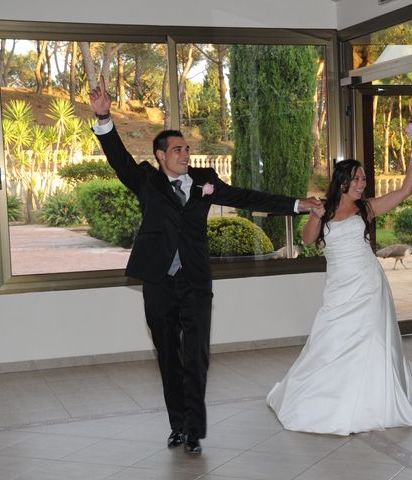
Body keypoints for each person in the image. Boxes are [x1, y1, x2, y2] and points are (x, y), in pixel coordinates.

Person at [89, 76, 320, 453]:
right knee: (168, 356)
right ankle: (177, 425)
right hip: (159, 283)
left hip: (195, 283)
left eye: (187, 149)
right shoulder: (146, 181)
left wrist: (298, 205)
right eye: (178, 149)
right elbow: (118, 159)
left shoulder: (204, 181)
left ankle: (194, 431)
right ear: (161, 155)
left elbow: (247, 196)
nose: (186, 154)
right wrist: (104, 118)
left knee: (196, 357)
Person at [266, 142, 412, 435]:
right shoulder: (324, 210)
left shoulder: (365, 209)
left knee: (371, 338)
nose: (362, 183)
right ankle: (325, 395)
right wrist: (315, 214)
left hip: (368, 283)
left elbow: (405, 190)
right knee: (330, 338)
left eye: (364, 179)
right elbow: (306, 239)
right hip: (340, 287)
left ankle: (372, 399)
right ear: (342, 182)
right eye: (357, 178)